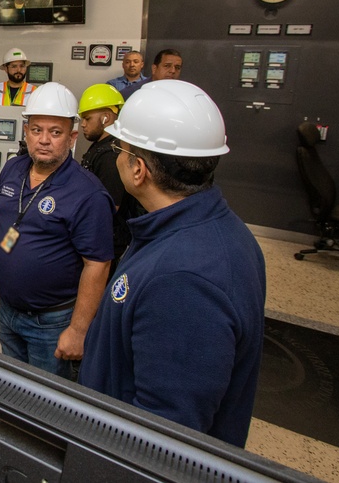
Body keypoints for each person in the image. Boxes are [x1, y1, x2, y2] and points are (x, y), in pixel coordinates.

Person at [80, 80, 265, 448]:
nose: (116, 154)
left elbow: (164, 439)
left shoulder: (184, 281)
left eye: (121, 147)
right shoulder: (207, 230)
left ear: (138, 170)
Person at [0, 82, 113, 380]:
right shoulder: (12, 169)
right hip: (8, 311)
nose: (44, 140)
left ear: (72, 137)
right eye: (36, 130)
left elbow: (98, 263)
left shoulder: (87, 193)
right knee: (14, 385)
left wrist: (79, 330)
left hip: (52, 321)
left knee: (48, 401)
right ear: (26, 131)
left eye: (55, 132)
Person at [77, 84, 137, 270]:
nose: (82, 124)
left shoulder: (112, 154)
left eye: (87, 118)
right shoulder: (100, 146)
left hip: (105, 244)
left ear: (106, 117)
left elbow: (110, 206)